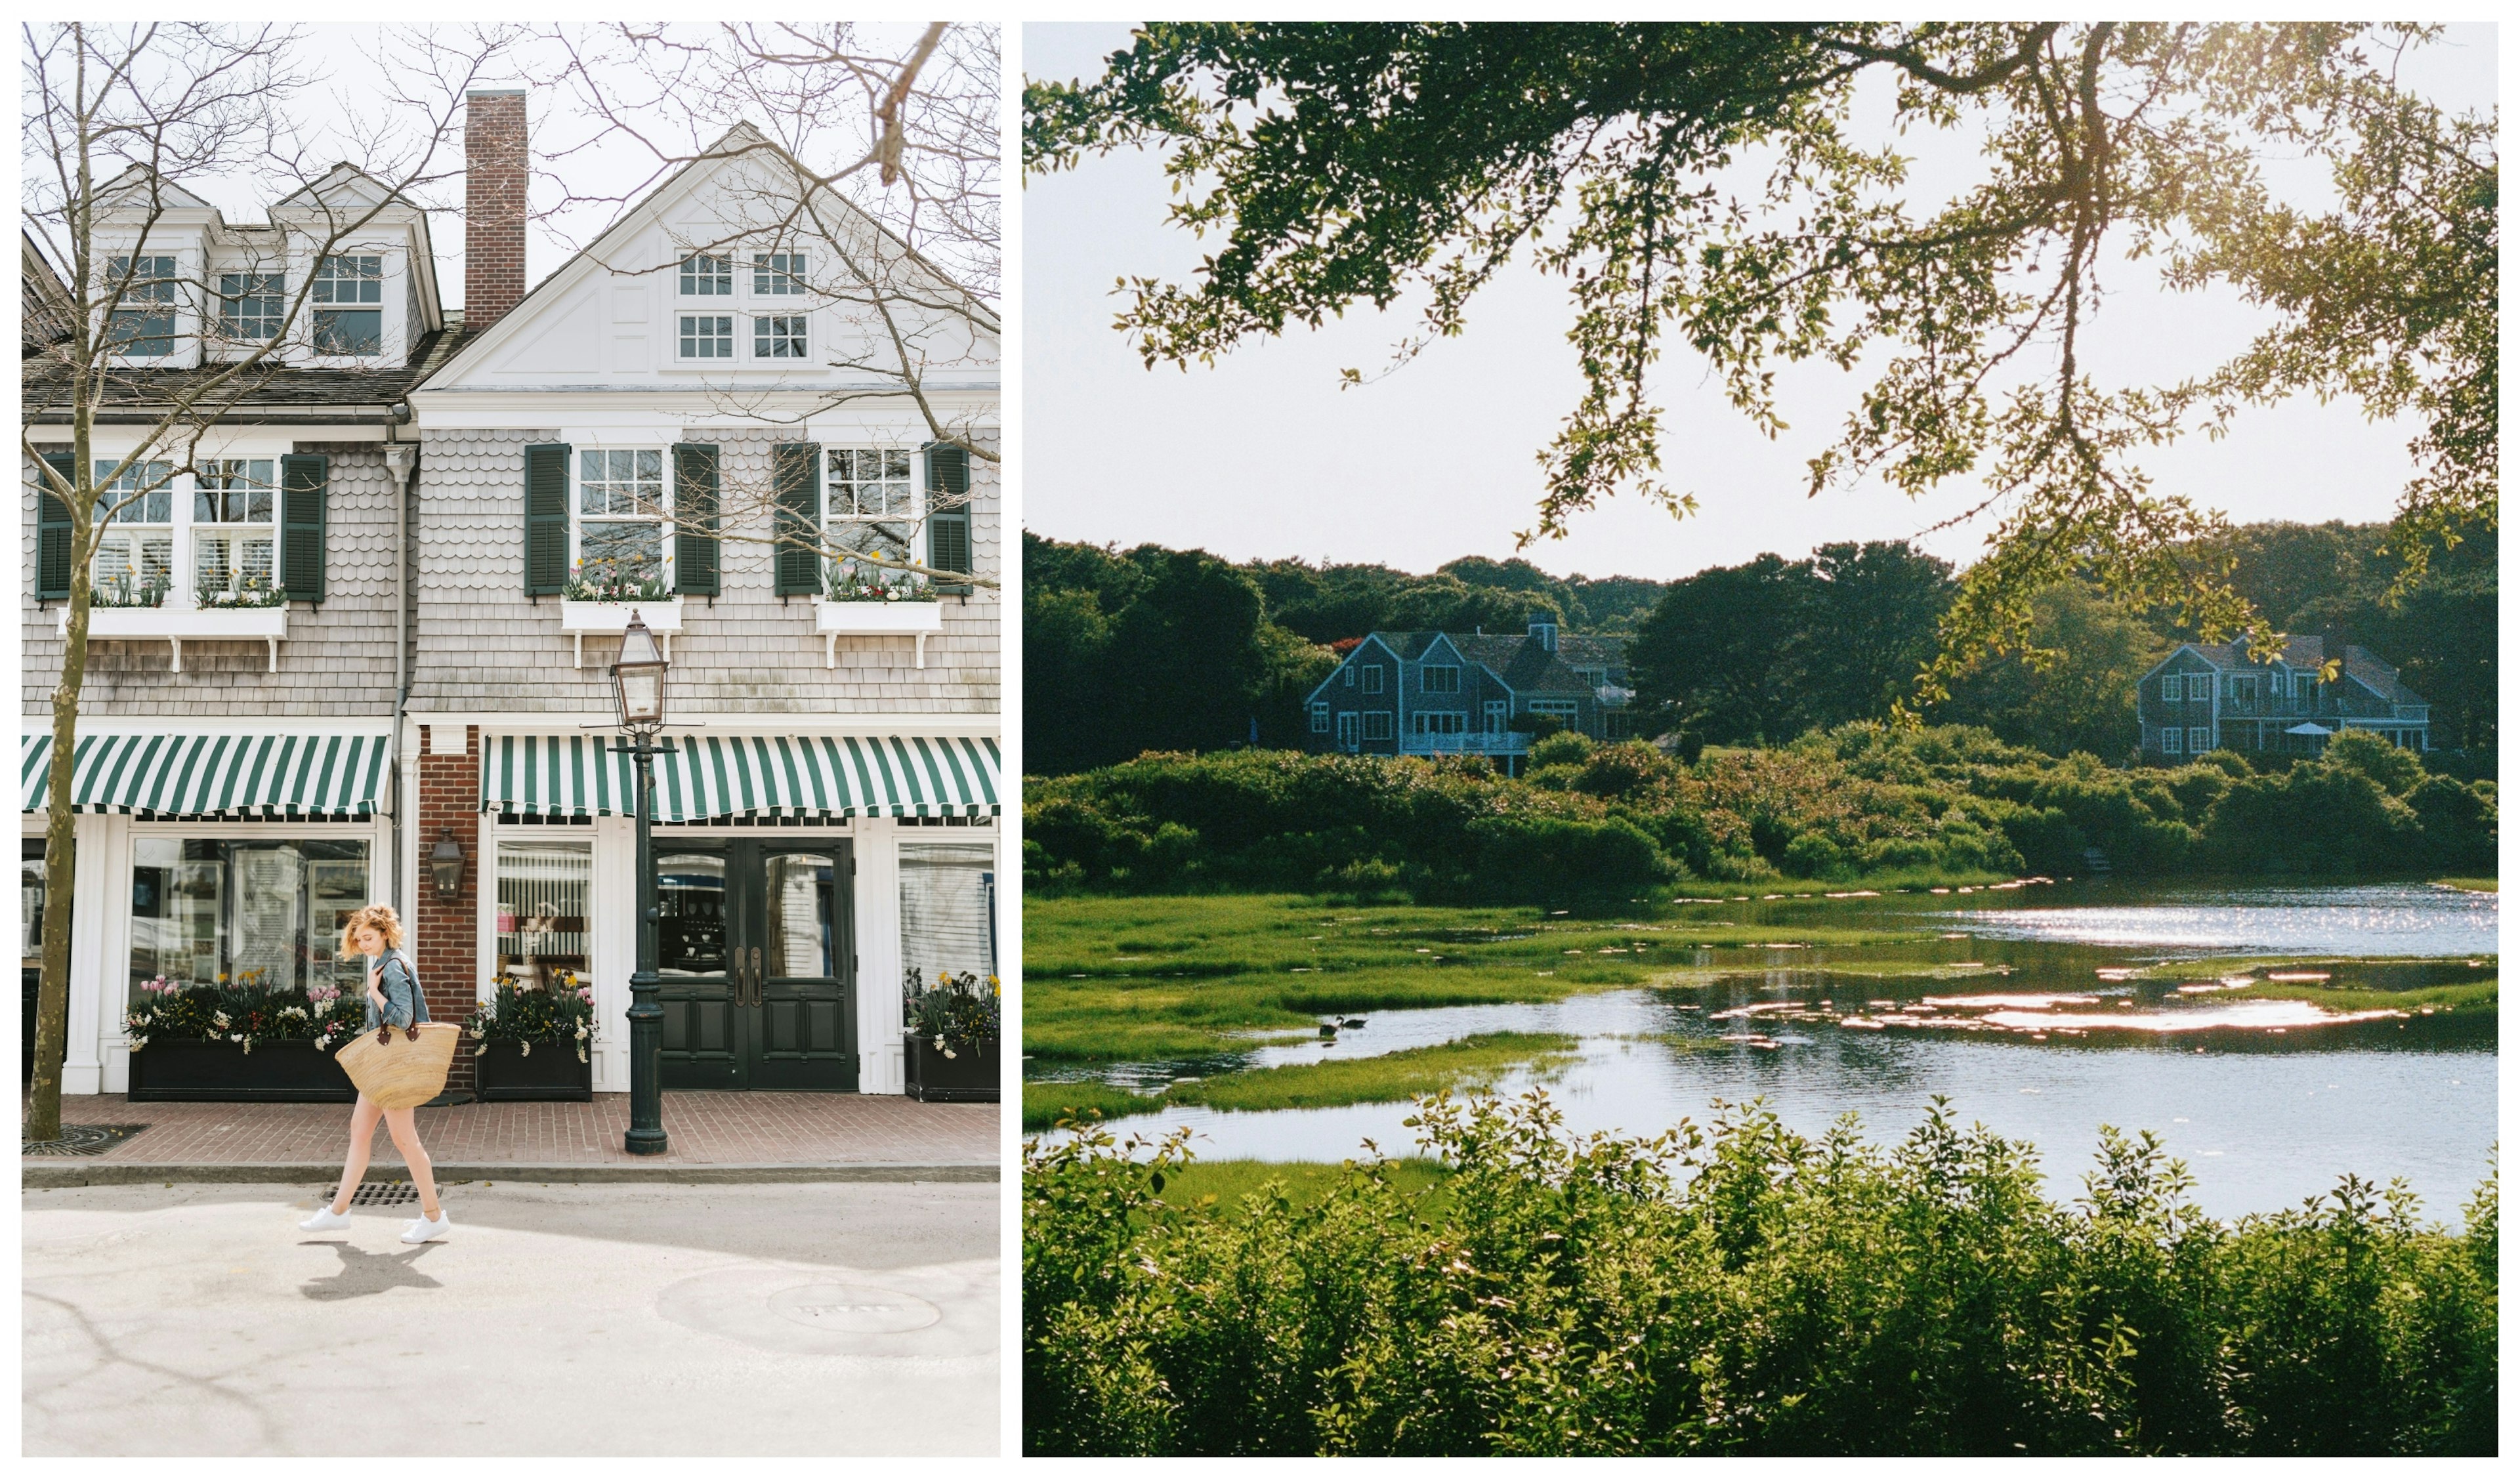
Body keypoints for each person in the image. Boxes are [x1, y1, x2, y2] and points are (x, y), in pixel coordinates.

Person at [297, 904, 450, 1243]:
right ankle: (338, 1212)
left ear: (385, 933)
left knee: (405, 1140)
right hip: (382, 1066)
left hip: (393, 1066)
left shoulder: (392, 967)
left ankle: (434, 1216)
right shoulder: (386, 963)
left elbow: (405, 1018)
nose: (363, 944)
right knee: (360, 1130)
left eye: (369, 937)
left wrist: (375, 994)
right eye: (358, 938)